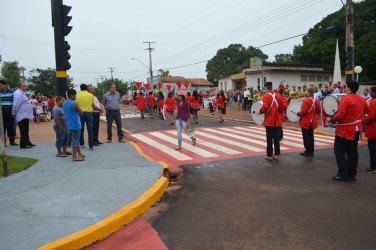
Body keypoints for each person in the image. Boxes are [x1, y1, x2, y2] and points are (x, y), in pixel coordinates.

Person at [329, 81, 368, 181]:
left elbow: (341, 114)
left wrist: (332, 119)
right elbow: (366, 111)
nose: (344, 89)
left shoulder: (345, 99)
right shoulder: (361, 99)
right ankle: (352, 173)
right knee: (352, 152)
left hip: (345, 129)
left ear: (349, 89)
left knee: (339, 152)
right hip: (356, 129)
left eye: (345, 87)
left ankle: (343, 174)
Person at [259, 82, 287, 160]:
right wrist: (280, 111)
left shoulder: (266, 96)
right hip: (277, 121)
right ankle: (277, 154)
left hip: (269, 121)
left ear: (266, 88)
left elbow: (265, 107)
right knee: (276, 138)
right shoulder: (278, 95)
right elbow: (284, 105)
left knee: (269, 139)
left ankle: (269, 155)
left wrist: (261, 111)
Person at [297, 87, 321, 156]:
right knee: (311, 136)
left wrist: (298, 113)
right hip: (312, 121)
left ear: (308, 92)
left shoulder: (306, 100)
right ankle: (311, 151)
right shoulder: (315, 100)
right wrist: (313, 113)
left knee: (306, 137)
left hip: (306, 121)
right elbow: (318, 110)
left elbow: (303, 111)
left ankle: (307, 151)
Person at [64, 89, 84, 161]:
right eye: (75, 94)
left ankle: (79, 153)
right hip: (75, 123)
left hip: (69, 123)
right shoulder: (74, 103)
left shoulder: (65, 103)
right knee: (75, 140)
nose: (76, 96)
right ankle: (74, 156)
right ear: (72, 95)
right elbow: (81, 112)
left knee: (75, 139)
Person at [12, 82, 35, 149]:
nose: (26, 87)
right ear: (20, 86)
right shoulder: (18, 94)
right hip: (21, 115)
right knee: (23, 130)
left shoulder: (21, 93)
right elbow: (16, 105)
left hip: (25, 115)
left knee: (26, 130)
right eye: (24, 86)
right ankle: (23, 144)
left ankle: (27, 142)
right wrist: (14, 113)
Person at [76, 84, 95, 150]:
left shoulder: (77, 95)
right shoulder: (90, 95)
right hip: (89, 113)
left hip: (80, 113)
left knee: (81, 129)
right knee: (90, 130)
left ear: (80, 88)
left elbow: (76, 105)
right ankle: (91, 146)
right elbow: (93, 105)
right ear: (86, 88)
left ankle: (82, 144)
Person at [362, 86, 376, 173]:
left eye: (371, 91)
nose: (370, 93)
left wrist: (362, 121)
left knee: (373, 149)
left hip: (373, 128)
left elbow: (371, 117)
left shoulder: (374, 102)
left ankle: (373, 167)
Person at [0, 79, 18, 146]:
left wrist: (13, 111)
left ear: (5, 85)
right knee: (2, 128)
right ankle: (3, 142)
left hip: (10, 112)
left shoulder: (11, 92)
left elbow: (14, 102)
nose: (0, 87)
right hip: (2, 113)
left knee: (11, 127)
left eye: (1, 85)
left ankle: (12, 141)